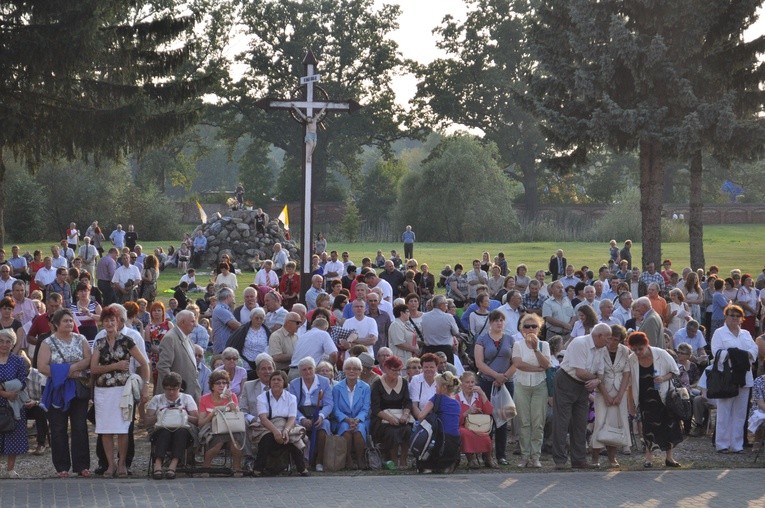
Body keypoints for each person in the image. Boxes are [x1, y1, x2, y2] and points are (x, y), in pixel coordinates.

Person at [90, 307, 150, 478]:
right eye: (106, 320)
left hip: (123, 391)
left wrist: (145, 384)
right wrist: (114, 366)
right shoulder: (99, 342)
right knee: (105, 429)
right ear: (102, 322)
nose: (109, 324)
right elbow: (93, 369)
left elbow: (144, 363)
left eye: (112, 320)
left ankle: (122, 463)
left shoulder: (127, 341)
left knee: (123, 428)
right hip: (103, 391)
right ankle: (110, 465)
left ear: (118, 322)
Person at [37, 309, 92, 477]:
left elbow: (88, 360)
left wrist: (73, 368)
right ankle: (62, 466)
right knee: (59, 428)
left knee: (80, 426)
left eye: (71, 320)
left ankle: (82, 465)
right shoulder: (48, 342)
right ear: (56, 324)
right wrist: (67, 371)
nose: (69, 323)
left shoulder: (80, 339)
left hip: (78, 388)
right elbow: (42, 367)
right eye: (65, 321)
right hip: (57, 389)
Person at [552, 323, 611, 470]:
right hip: (567, 380)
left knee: (580, 422)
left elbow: (601, 373)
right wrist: (596, 378)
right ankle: (560, 460)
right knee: (562, 421)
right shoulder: (580, 343)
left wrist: (597, 380)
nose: (609, 341)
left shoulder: (602, 349)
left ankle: (579, 459)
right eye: (607, 338)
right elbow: (580, 372)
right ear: (599, 336)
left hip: (584, 386)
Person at [627, 331, 683, 467]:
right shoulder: (632, 359)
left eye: (640, 349)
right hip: (644, 398)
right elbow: (629, 384)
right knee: (647, 428)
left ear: (647, 345)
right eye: (634, 350)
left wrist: (663, 378)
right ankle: (648, 458)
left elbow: (675, 371)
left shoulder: (661, 354)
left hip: (663, 396)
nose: (638, 352)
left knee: (668, 425)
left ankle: (669, 457)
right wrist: (631, 404)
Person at [710, 304, 758, 453]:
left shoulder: (746, 333)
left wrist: (739, 355)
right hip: (727, 376)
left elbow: (753, 350)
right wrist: (736, 355)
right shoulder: (719, 333)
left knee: (740, 412)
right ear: (726, 316)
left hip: (744, 376)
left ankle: (737, 444)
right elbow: (717, 352)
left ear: (741, 318)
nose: (734, 318)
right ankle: (722, 444)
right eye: (732, 315)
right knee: (724, 411)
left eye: (737, 316)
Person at [474, 310, 515, 465]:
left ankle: (501, 454)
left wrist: (504, 377)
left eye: (501, 320)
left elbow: (515, 362)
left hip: (506, 382)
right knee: (488, 418)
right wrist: (495, 376)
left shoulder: (510, 339)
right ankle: (487, 454)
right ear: (490, 322)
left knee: (503, 417)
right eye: (496, 320)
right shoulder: (482, 339)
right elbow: (479, 362)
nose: (499, 323)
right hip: (487, 381)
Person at [512, 313, 551, 468]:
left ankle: (535, 457)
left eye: (533, 326)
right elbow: (518, 364)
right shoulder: (518, 345)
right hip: (521, 384)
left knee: (538, 422)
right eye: (527, 326)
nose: (530, 329)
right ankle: (524, 456)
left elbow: (547, 365)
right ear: (522, 329)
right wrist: (537, 368)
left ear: (538, 328)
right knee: (524, 422)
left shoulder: (544, 345)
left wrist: (536, 349)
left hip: (539, 385)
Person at [590, 324, 632, 468]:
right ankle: (595, 457)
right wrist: (606, 395)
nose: (612, 342)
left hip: (620, 390)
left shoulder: (625, 351)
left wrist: (620, 394)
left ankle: (612, 458)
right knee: (600, 423)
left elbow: (627, 373)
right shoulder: (599, 351)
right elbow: (597, 374)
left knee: (615, 423)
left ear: (620, 340)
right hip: (603, 390)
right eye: (610, 339)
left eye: (615, 339)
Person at [253, 371, 309, 476]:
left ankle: (302, 468)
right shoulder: (262, 397)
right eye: (273, 380)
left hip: (286, 425)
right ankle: (257, 469)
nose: (276, 382)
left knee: (292, 438)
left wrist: (286, 431)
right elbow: (263, 418)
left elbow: (292, 417)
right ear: (269, 383)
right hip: (268, 427)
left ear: (284, 382)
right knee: (267, 439)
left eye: (279, 379)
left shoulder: (291, 398)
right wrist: (276, 432)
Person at [145, 372, 199, 480]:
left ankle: (173, 464)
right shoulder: (157, 399)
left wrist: (183, 415)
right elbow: (147, 421)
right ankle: (158, 463)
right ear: (164, 388)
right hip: (161, 430)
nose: (171, 392)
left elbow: (197, 421)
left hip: (182, 430)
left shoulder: (186, 398)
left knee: (181, 432)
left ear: (180, 388)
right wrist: (160, 415)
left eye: (174, 389)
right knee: (164, 432)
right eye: (168, 389)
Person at [287, 357, 334, 471]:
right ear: (300, 372)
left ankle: (319, 461)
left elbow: (329, 404)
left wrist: (321, 416)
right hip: (300, 415)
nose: (307, 372)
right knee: (296, 429)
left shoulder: (324, 382)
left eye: (310, 369)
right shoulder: (294, 384)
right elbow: (292, 406)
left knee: (323, 429)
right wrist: (302, 419)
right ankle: (303, 461)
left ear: (314, 369)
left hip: (319, 414)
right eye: (304, 370)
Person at [197, 370, 244, 476]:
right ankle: (206, 467)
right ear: (212, 386)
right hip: (212, 428)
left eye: (224, 383)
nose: (222, 385)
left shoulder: (232, 396)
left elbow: (236, 414)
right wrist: (212, 413)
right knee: (218, 442)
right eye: (218, 383)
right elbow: (201, 423)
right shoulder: (204, 399)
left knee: (235, 440)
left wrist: (230, 400)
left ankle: (237, 467)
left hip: (230, 427)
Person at [415, 371, 462, 473]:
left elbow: (420, 416)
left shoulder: (437, 398)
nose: (435, 388)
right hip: (454, 439)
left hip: (441, 439)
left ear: (443, 387)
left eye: (436, 386)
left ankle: (426, 465)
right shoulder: (457, 403)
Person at [371, 355, 412, 469]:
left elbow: (407, 402)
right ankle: (393, 459)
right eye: (394, 370)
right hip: (382, 419)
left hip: (400, 416)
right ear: (386, 368)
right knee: (392, 432)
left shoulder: (403, 382)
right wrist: (389, 418)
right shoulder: (377, 384)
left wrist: (405, 414)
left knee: (407, 429)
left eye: (399, 370)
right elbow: (375, 408)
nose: (397, 373)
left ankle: (403, 459)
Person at [332, 356, 371, 469]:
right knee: (346, 430)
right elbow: (335, 409)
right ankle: (348, 459)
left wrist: (357, 419)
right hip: (343, 420)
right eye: (348, 368)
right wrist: (347, 419)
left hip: (360, 420)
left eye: (355, 368)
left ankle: (360, 459)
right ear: (344, 370)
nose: (351, 371)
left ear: (360, 371)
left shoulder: (365, 387)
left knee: (359, 430)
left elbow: (366, 408)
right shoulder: (337, 388)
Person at [0, 329, 29, 478]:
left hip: (13, 404)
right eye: (1, 341)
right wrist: (4, 392)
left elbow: (23, 381)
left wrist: (7, 389)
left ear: (13, 344)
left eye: (8, 341)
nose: (4, 344)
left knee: (13, 435)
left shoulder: (18, 361)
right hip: (5, 397)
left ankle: (10, 469)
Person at [156, 310, 202, 403]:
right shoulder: (170, 338)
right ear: (182, 322)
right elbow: (163, 367)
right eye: (192, 321)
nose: (195, 324)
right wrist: (174, 390)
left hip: (189, 393)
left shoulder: (187, 338)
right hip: (175, 398)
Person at [456, 371, 495, 469]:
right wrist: (467, 412)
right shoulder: (457, 398)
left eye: (472, 382)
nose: (470, 385)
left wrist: (482, 394)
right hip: (463, 425)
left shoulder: (478, 396)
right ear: (462, 383)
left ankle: (488, 458)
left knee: (485, 434)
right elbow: (455, 419)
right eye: (467, 382)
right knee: (465, 433)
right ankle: (471, 459)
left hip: (478, 425)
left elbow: (489, 411)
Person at [420, 295, 459, 365]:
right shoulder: (448, 317)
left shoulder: (424, 316)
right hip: (445, 350)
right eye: (446, 304)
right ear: (441, 305)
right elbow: (456, 332)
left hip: (429, 349)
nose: (447, 306)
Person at [145, 302, 174, 388]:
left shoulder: (169, 324)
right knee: (156, 382)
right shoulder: (148, 327)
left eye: (159, 310)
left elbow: (174, 340)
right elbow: (147, 344)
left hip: (168, 355)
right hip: (154, 357)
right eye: (154, 310)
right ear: (151, 313)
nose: (156, 312)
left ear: (163, 312)